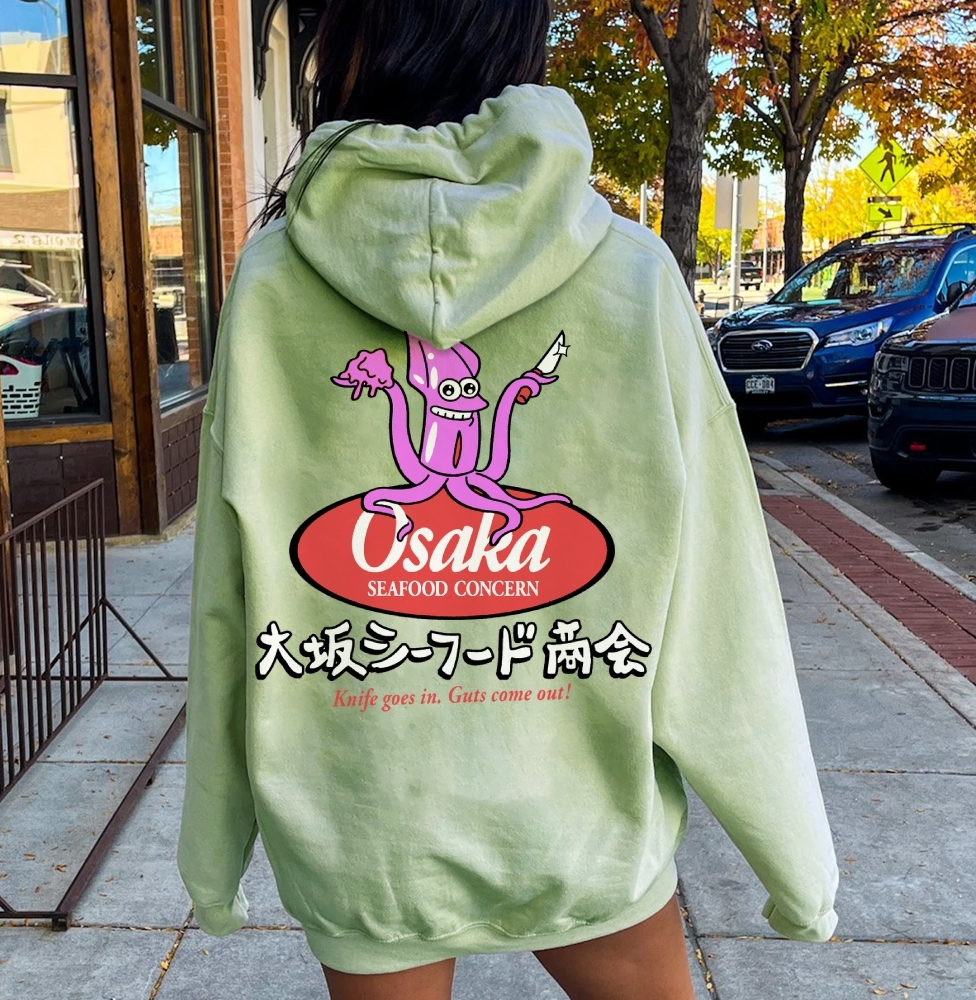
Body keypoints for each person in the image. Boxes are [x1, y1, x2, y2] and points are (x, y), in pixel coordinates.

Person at [177, 3, 839, 998]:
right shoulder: (633, 275)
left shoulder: (271, 283)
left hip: (365, 828)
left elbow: (229, 594)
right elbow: (722, 601)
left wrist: (213, 849)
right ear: (518, 41)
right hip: (582, 825)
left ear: (351, 43)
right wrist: (796, 865)